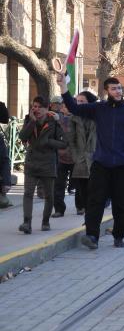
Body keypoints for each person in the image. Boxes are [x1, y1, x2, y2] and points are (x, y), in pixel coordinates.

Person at [59, 74, 124, 249]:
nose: (118, 91)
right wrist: (63, 87)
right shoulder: (98, 109)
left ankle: (119, 235)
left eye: (119, 88)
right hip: (101, 163)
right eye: (114, 88)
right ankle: (92, 236)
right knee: (95, 201)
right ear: (106, 91)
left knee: (121, 203)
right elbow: (73, 108)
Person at [18, 96, 67, 234]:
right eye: (34, 106)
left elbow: (64, 143)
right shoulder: (29, 120)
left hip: (48, 164)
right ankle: (27, 222)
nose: (36, 109)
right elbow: (22, 137)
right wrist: (32, 122)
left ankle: (45, 221)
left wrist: (49, 142)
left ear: (47, 109)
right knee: (28, 193)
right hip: (32, 163)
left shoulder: (53, 122)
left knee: (49, 196)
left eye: (40, 107)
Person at [68, 91, 97, 216]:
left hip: (95, 156)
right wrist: (75, 155)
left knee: (94, 186)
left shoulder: (98, 116)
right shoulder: (74, 117)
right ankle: (82, 207)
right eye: (77, 101)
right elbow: (71, 138)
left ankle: (91, 210)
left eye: (82, 101)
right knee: (81, 186)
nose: (79, 104)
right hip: (80, 156)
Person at [51, 97, 75, 218]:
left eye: (68, 106)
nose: (65, 108)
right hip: (61, 157)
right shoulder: (57, 119)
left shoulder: (78, 119)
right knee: (59, 185)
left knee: (79, 184)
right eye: (64, 106)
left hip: (76, 158)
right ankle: (59, 209)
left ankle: (81, 206)